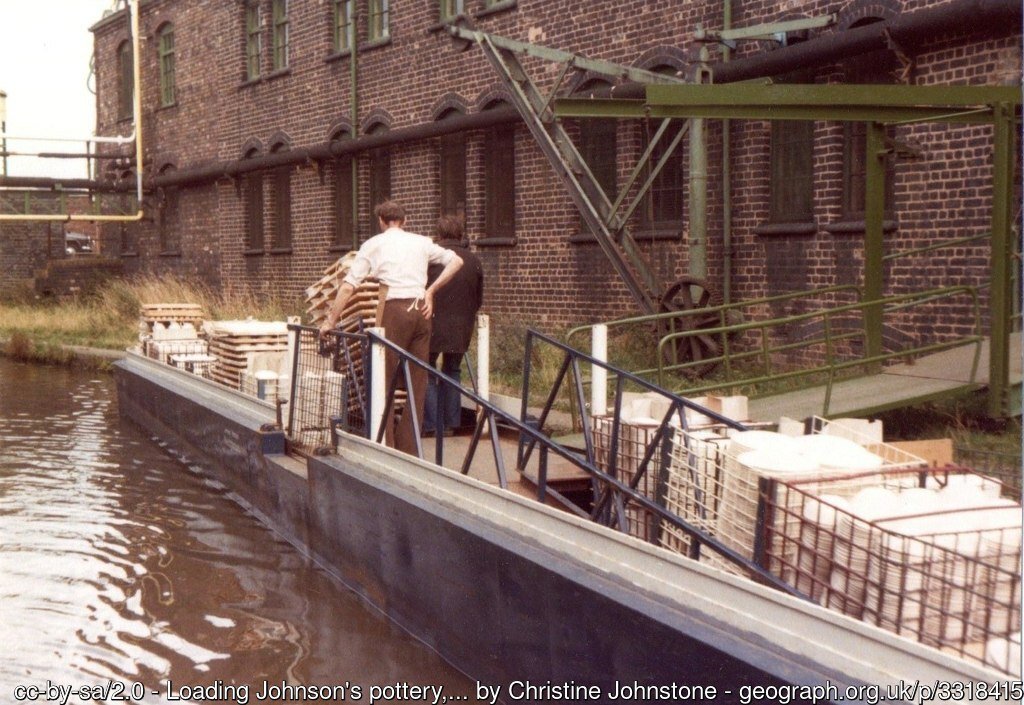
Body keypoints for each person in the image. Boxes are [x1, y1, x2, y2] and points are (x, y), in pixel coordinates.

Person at [319, 200, 463, 455]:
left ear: (381, 222)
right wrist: (430, 291)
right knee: (418, 379)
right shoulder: (421, 242)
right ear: (404, 221)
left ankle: (385, 444)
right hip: (421, 311)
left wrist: (331, 320)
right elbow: (456, 261)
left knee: (381, 375)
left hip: (394, 309)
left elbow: (349, 285)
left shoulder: (374, 244)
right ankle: (410, 448)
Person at [422, 215, 483, 437]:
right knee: (453, 370)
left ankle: (430, 424)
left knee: (427, 370)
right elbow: (478, 298)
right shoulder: (473, 260)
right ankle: (450, 423)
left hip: (432, 321)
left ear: (438, 233)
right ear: (460, 233)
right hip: (461, 325)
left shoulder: (431, 259)